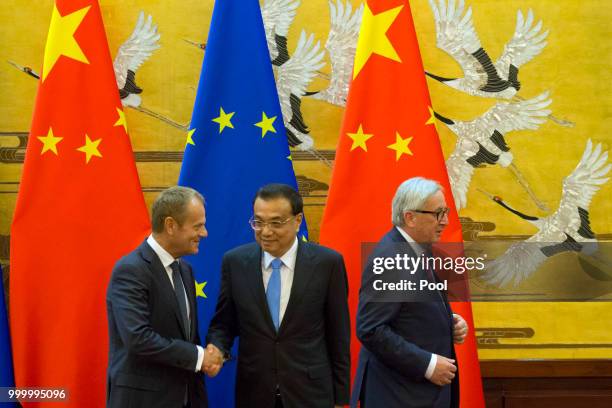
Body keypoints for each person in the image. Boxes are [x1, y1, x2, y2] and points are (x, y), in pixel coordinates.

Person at [206, 183, 351, 408]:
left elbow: (338, 336)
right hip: (254, 392)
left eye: (276, 222)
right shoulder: (235, 262)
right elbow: (224, 324)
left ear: (297, 220)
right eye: (258, 222)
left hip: (311, 394)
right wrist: (216, 347)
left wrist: (341, 399)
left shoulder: (327, 263)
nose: (265, 231)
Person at [351, 177, 469, 408]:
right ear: (410, 217)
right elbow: (371, 329)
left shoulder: (418, 250)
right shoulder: (390, 259)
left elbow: (409, 312)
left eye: (445, 212)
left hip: (417, 394)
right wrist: (427, 364)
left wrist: (449, 322)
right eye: (437, 213)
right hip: (398, 395)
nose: (445, 221)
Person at [106, 186, 221, 408]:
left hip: (187, 398)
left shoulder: (185, 270)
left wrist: (207, 357)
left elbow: (185, 335)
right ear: (170, 225)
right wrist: (198, 357)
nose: (204, 233)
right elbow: (138, 338)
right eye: (198, 226)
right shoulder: (131, 270)